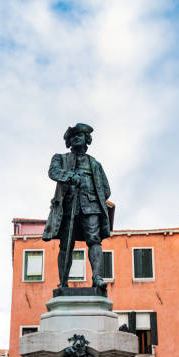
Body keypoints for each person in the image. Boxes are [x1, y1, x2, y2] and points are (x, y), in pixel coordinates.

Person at [43, 123, 112, 288]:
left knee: (94, 240)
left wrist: (94, 195)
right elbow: (53, 172)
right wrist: (71, 176)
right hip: (67, 207)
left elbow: (106, 190)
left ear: (86, 139)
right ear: (69, 141)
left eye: (79, 135)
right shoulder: (60, 158)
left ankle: (97, 278)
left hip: (91, 207)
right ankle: (63, 283)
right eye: (72, 136)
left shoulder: (95, 164)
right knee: (66, 245)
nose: (76, 138)